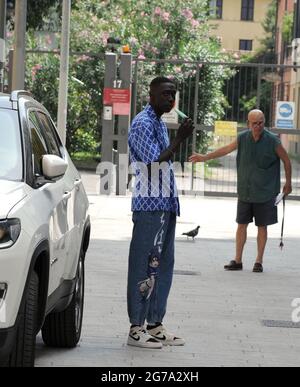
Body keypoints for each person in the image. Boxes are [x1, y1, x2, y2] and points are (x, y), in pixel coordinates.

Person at [127, 76, 194, 348]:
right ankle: (136, 327)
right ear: (151, 95)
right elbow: (153, 163)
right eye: (165, 94)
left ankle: (154, 324)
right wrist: (179, 140)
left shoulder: (159, 122)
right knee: (143, 265)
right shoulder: (143, 123)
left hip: (165, 204)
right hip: (148, 207)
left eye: (173, 94)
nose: (170, 99)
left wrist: (176, 139)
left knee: (163, 266)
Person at [189, 109, 292, 273]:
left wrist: (288, 183)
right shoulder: (243, 138)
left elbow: (286, 160)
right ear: (248, 123)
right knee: (241, 225)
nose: (258, 126)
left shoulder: (273, 141)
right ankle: (238, 260)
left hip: (265, 191)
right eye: (255, 123)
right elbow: (225, 150)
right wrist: (204, 157)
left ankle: (258, 261)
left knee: (262, 226)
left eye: (261, 122)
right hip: (246, 190)